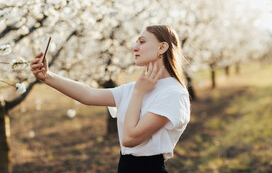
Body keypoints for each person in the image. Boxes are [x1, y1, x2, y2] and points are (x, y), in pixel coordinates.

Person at [30, 25, 190, 173]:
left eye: (142, 42)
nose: (135, 47)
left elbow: (129, 138)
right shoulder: (135, 87)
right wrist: (47, 77)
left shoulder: (173, 93)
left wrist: (138, 92)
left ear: (162, 47)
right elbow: (88, 95)